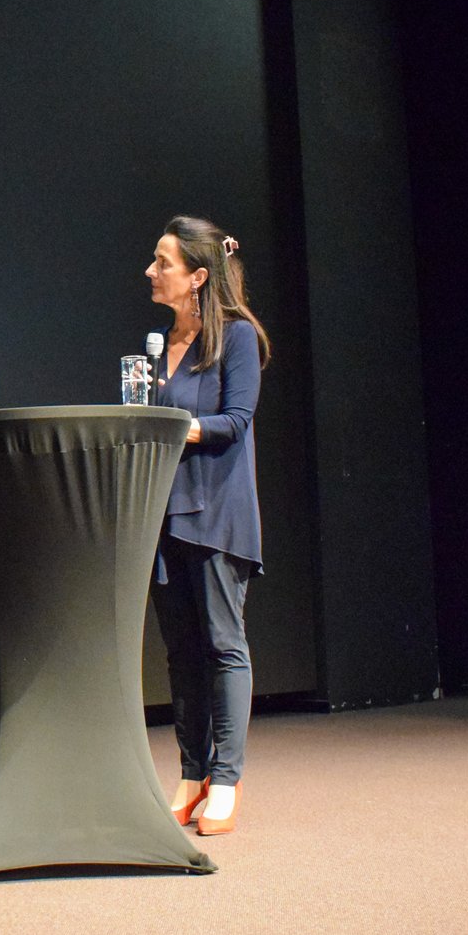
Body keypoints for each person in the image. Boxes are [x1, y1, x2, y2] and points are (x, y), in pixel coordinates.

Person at [143, 216, 270, 836]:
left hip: (216, 510)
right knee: (180, 652)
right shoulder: (156, 346)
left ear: (197, 276)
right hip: (163, 513)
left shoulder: (236, 337)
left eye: (162, 262)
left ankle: (227, 778)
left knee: (223, 644)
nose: (150, 271)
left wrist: (175, 428)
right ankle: (192, 773)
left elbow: (235, 421)